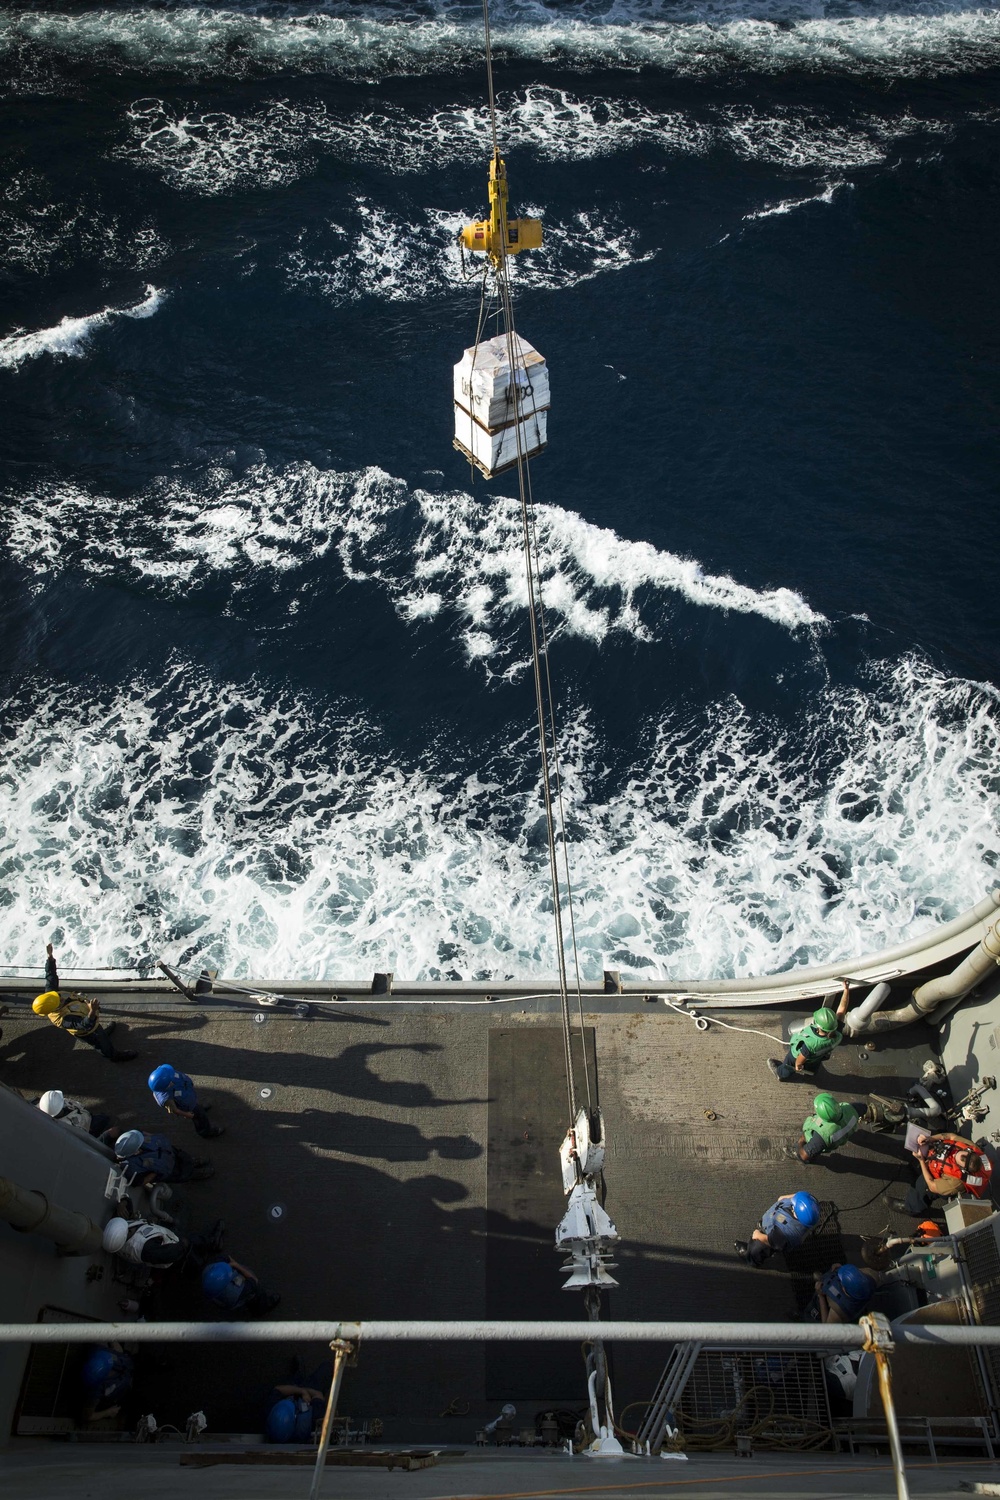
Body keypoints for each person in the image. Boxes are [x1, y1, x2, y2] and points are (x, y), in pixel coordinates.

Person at [33, 947, 136, 1061]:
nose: (61, 997)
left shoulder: (50, 997)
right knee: (102, 1045)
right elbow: (84, 1025)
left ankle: (104, 1034)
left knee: (101, 1032)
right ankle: (113, 1056)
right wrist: (92, 1010)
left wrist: (50, 958)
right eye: (59, 1000)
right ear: (55, 1008)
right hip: (88, 1032)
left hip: (91, 1021)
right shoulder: (63, 1019)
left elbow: (50, 976)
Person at [894, 1131, 993, 1216]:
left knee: (923, 1187)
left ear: (963, 1169)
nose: (954, 1154)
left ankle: (911, 1208)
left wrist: (921, 1160)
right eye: (957, 1154)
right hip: (939, 1162)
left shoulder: (956, 1182)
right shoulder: (971, 1147)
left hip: (941, 1182)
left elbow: (932, 1185)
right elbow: (950, 1136)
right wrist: (930, 1139)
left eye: (956, 1157)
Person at [768, 981, 851, 1082]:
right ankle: (810, 1074)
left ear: (817, 1024)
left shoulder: (811, 1043)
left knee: (788, 1066)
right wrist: (846, 990)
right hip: (818, 1057)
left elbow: (801, 1058)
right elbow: (842, 1009)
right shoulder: (837, 1033)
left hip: (796, 1057)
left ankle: (780, 1074)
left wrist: (798, 1065)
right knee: (813, 1064)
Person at [102, 1214, 224, 1270]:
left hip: (164, 1243)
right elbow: (170, 1254)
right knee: (190, 1245)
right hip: (173, 1250)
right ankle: (213, 1244)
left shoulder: (117, 1243)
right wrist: (182, 1244)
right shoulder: (145, 1249)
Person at [735, 1190, 821, 1267]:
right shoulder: (809, 1209)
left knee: (757, 1248)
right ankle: (766, 1224)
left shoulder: (788, 1232)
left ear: (797, 1212)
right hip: (777, 1219)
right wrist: (784, 1198)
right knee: (772, 1220)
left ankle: (751, 1258)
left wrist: (758, 1235)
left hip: (774, 1238)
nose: (792, 1199)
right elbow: (797, 1196)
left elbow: (772, 1241)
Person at [113, 1129, 214, 1186]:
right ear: (134, 1152)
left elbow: (146, 1133)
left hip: (169, 1153)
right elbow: (141, 1182)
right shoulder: (130, 1168)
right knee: (184, 1173)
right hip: (167, 1169)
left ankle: (193, 1161)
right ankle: (195, 1174)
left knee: (184, 1157)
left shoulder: (134, 1137)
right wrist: (155, 1172)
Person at [147, 1064, 224, 1139]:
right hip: (187, 1106)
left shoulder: (166, 1071)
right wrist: (187, 1114)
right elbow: (174, 1110)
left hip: (188, 1096)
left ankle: (199, 1107)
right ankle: (205, 1131)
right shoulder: (167, 1098)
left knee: (197, 1107)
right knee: (200, 1117)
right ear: (168, 1085)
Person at [264, 1362, 333, 1442]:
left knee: (296, 1376)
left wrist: (301, 1391)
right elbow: (318, 1394)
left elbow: (278, 1389)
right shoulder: (311, 1421)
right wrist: (307, 1394)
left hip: (294, 1391)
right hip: (309, 1396)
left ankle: (299, 1372)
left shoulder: (272, 1412)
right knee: (327, 1368)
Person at [786, 1093, 862, 1164]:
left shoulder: (822, 1135)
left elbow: (804, 1155)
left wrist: (801, 1142)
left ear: (823, 1118)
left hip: (820, 1143)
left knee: (806, 1155)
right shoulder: (851, 1108)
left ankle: (807, 1158)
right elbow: (864, 1108)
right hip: (843, 1135)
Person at [202, 1258, 281, 1316]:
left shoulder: (208, 1271)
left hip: (220, 1300)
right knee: (257, 1292)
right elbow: (254, 1280)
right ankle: (261, 1308)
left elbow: (225, 1258)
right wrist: (236, 1265)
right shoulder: (233, 1293)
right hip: (235, 1299)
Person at [80, 1344, 134, 1423]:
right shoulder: (95, 1390)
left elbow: (116, 1351)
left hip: (130, 1366)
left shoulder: (100, 1353)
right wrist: (108, 1412)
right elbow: (87, 1416)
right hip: (126, 1390)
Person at [811, 1263, 877, 1324]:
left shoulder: (840, 1311)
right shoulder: (868, 1280)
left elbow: (826, 1328)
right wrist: (842, 1269)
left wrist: (821, 1297)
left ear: (844, 1289)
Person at [37, 1089, 113, 1140]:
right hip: (89, 1127)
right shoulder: (69, 1125)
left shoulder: (46, 1107)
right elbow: (83, 1135)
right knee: (104, 1119)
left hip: (86, 1119)